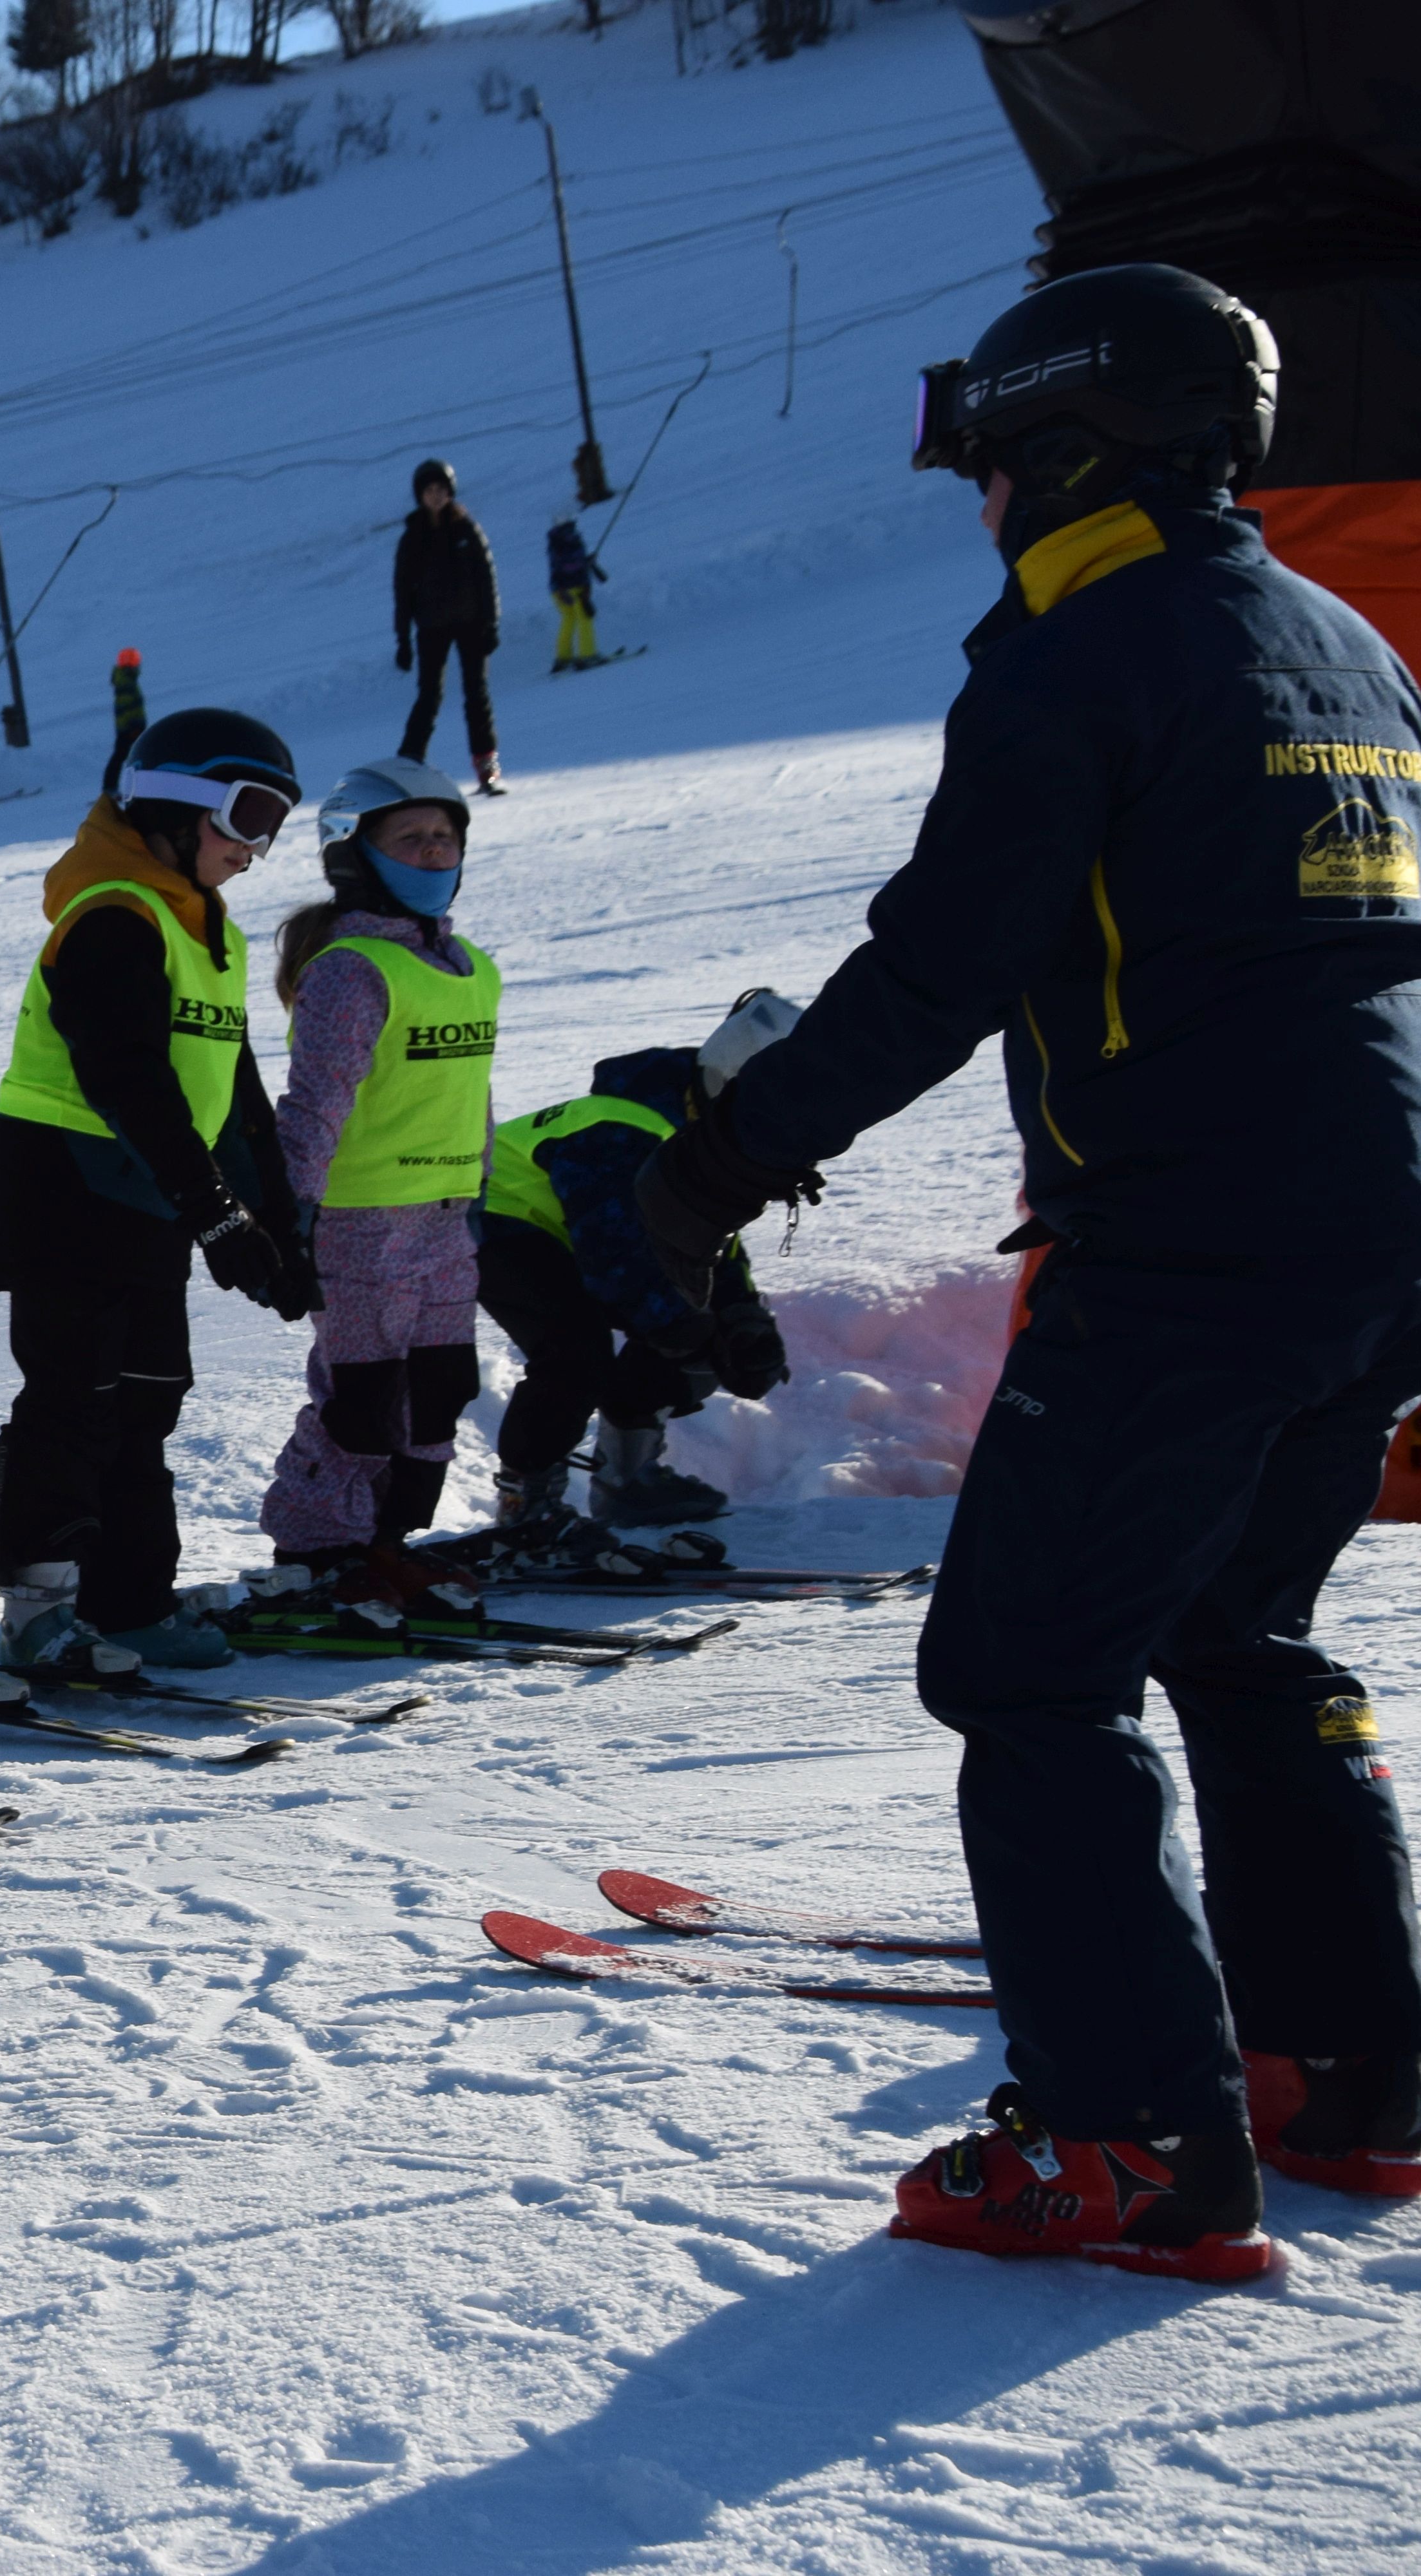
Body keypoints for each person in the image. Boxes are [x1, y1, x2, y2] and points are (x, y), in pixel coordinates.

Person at [638, 264, 1421, 2278]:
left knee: (1025, 1664)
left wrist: (722, 1154)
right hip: (1374, 1238)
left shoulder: (1084, 654)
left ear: (1064, 447)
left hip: (1182, 1242)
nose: (978, 508)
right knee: (1241, 1628)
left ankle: (1128, 2140)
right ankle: (1347, 2070)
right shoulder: (1341, 643)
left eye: (988, 466)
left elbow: (934, 964)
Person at [0, 712, 312, 1676]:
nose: (256, 847)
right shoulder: (113, 916)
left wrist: (278, 1228)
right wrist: (217, 1214)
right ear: (177, 802)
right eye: (247, 815)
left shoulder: (208, 932)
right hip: (65, 1188)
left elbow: (236, 1100)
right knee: (74, 1397)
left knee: (148, 1401)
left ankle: (129, 1600)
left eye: (276, 823)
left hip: (152, 1199)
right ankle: (39, 1609)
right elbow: (125, 1075)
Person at [258, 756, 499, 1604]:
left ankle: (385, 1540)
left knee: (440, 1392)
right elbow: (316, 1100)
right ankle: (318, 1547)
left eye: (446, 838)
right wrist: (288, 1217)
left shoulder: (472, 967)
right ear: (355, 853)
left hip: (447, 1222)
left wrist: (487, 1193)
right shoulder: (350, 969)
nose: (436, 853)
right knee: (362, 1397)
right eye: (413, 839)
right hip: (361, 1223)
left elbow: (473, 1097)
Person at [480, 992, 799, 1539]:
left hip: (561, 1232)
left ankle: (627, 1482)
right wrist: (691, 1328)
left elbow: (707, 1242)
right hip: (494, 1217)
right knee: (577, 1352)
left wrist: (743, 1318)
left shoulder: (700, 1132)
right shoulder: (621, 1131)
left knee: (694, 1328)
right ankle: (524, 1509)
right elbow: (615, 1257)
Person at [392, 460, 505, 795]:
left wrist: (491, 623)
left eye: (441, 490)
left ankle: (487, 767)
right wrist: (403, 640)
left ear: (450, 492)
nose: (436, 496)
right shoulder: (412, 538)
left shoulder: (467, 529)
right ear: (420, 495)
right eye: (429, 491)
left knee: (477, 694)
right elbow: (403, 592)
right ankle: (409, 765)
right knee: (429, 695)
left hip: (471, 623)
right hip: (432, 627)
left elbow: (487, 578)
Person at [546, 516, 608, 674]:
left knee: (569, 619)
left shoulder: (554, 541)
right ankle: (587, 655)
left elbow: (562, 564)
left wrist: (585, 561)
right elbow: (569, 565)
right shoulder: (568, 539)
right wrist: (584, 563)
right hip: (573, 588)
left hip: (558, 590)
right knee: (585, 618)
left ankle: (564, 657)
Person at [103, 646, 150, 803]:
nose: (138, 666)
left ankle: (113, 788)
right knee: (131, 755)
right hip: (130, 728)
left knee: (124, 756)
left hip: (130, 727)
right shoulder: (126, 682)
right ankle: (111, 789)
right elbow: (127, 706)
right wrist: (135, 726)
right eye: (136, 662)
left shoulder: (126, 680)